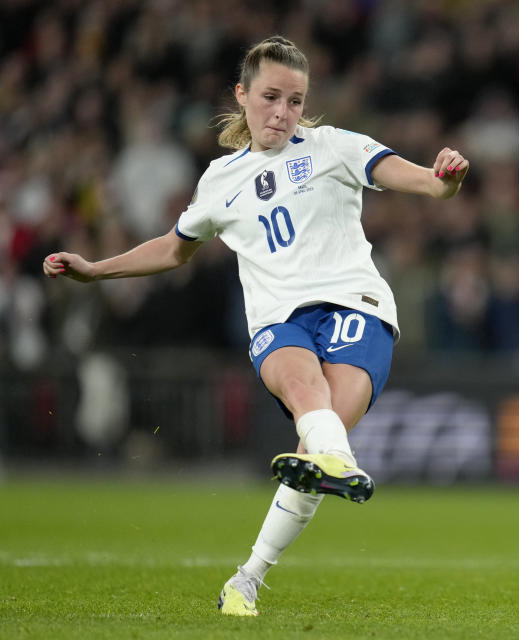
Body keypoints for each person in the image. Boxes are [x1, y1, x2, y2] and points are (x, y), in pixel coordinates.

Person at [42, 35, 469, 617]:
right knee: (305, 396)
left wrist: (444, 176)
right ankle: (334, 465)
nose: (283, 112)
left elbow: (425, 183)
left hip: (358, 307)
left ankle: (247, 577)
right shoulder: (220, 179)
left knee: (314, 442)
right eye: (270, 97)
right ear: (242, 96)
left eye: (295, 101)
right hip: (277, 319)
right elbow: (174, 248)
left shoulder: (335, 147)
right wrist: (96, 271)